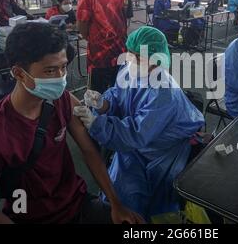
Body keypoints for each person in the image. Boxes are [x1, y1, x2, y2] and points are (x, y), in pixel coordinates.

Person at [0, 23, 144, 224]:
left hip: (76, 202)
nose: (60, 78)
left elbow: (89, 150)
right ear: (19, 73)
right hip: (31, 216)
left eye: (63, 67)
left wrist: (116, 204)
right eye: (49, 71)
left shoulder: (61, 100)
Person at [73, 26, 205, 221]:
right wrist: (102, 104)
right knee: (119, 192)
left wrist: (96, 124)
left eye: (138, 56)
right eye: (130, 53)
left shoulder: (163, 92)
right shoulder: (130, 70)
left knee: (150, 204)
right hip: (136, 147)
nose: (131, 59)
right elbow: (118, 96)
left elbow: (135, 134)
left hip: (160, 152)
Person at [77, 0, 133, 93]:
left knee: (121, 94)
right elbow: (82, 27)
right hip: (98, 58)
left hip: (121, 54)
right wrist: (97, 41)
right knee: (96, 98)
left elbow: (126, 20)